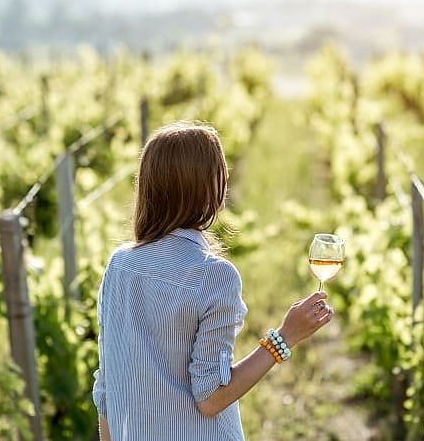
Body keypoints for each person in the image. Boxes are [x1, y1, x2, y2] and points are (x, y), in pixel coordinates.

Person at [92, 121, 334, 440]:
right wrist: (284, 338)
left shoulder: (119, 265)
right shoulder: (214, 276)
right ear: (211, 189)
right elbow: (211, 398)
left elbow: (106, 388)